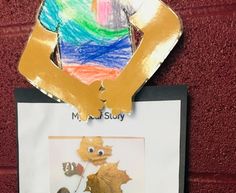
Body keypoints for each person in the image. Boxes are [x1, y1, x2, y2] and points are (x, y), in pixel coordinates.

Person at [19, 0, 182, 120]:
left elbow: (166, 26)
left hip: (123, 113)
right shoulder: (56, 4)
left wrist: (126, 86)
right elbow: (32, 63)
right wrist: (77, 94)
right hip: (77, 117)